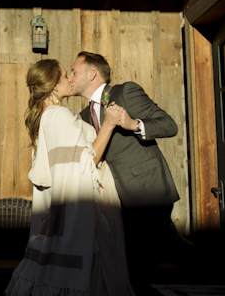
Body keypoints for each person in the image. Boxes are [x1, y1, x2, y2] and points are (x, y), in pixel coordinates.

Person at [5, 59, 135, 296]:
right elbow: (85, 163)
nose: (70, 79)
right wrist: (108, 124)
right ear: (54, 85)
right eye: (66, 75)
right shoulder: (57, 116)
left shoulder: (52, 116)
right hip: (81, 215)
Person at [69, 51, 179, 296]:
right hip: (117, 203)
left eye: (74, 71)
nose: (70, 76)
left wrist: (133, 124)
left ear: (92, 74)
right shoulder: (83, 117)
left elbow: (169, 125)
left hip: (148, 192)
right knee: (138, 268)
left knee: (141, 271)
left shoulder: (124, 92)